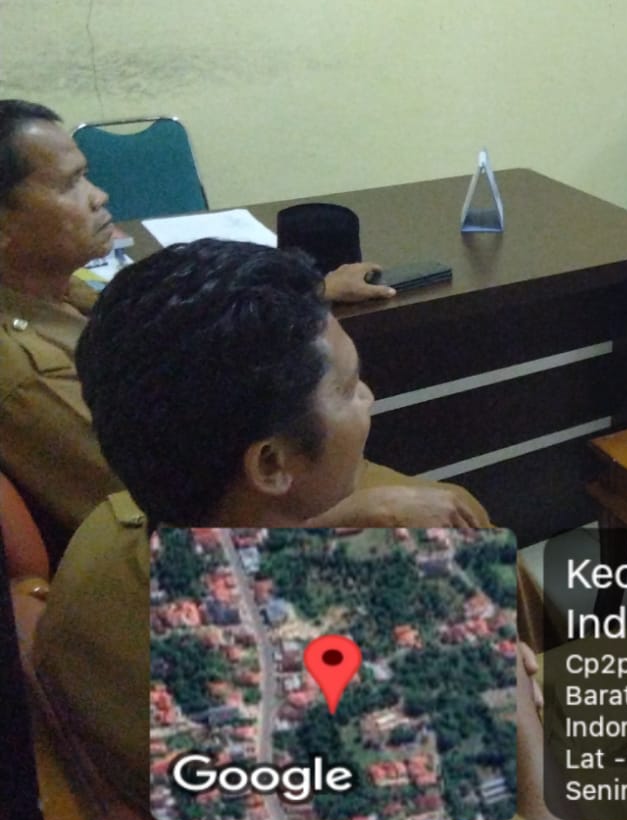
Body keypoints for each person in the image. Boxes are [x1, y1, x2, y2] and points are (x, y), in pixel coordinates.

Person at [35, 239, 627, 820]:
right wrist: (492, 669)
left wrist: (343, 519)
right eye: (348, 387)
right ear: (272, 464)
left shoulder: (107, 540)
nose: (371, 398)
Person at [0, 100, 395, 560]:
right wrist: (366, 514)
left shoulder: (60, 291)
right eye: (70, 184)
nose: (99, 195)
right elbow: (176, 501)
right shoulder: (27, 372)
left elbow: (182, 336)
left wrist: (307, 295)